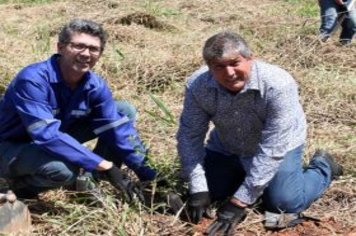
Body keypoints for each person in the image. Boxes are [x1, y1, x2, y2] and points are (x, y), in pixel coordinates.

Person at [176, 31, 343, 234]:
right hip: (228, 145)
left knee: (283, 203)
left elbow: (273, 147)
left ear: (250, 58)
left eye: (235, 63)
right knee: (211, 192)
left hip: (280, 144)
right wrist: (198, 188)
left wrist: (240, 202)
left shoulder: (278, 84)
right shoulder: (198, 85)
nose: (229, 73)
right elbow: (189, 134)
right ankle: (243, 175)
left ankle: (323, 166)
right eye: (220, 66)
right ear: (209, 67)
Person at [0, 19, 156, 200]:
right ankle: (19, 189)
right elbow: (46, 134)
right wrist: (105, 165)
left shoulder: (94, 86)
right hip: (10, 145)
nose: (86, 54)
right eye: (79, 46)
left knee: (123, 111)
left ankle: (89, 181)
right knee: (63, 170)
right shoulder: (33, 80)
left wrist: (151, 177)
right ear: (60, 47)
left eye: (93, 49)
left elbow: (117, 129)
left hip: (50, 138)